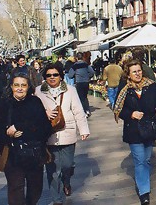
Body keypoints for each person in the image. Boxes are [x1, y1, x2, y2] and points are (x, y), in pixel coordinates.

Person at [113, 59, 156, 205]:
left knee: (146, 159)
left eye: (139, 70)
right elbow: (118, 109)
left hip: (149, 128)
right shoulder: (124, 88)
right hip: (133, 129)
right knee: (140, 161)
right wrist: (131, 114)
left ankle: (143, 183)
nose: (138, 74)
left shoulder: (151, 86)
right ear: (128, 74)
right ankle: (144, 193)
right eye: (134, 71)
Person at [0, 73, 52, 205]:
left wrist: (21, 127)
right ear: (11, 87)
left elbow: (46, 128)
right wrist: (7, 134)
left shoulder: (35, 102)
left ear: (28, 87)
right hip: (12, 155)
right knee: (15, 187)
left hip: (34, 153)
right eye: (16, 85)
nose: (20, 88)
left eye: (23, 85)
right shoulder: (3, 105)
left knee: (35, 187)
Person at [35, 63, 90, 205]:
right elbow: (33, 111)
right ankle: (56, 199)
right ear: (45, 77)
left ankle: (67, 180)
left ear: (60, 76)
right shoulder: (38, 91)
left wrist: (83, 129)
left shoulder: (70, 90)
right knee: (52, 169)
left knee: (67, 165)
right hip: (48, 135)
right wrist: (44, 113)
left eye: (55, 74)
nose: (52, 77)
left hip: (67, 132)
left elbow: (78, 110)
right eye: (49, 75)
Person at [68, 52, 95, 117]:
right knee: (85, 97)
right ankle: (87, 110)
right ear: (82, 57)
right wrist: (88, 77)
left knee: (80, 97)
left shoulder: (75, 66)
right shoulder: (86, 65)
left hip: (79, 82)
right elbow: (92, 72)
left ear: (76, 58)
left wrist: (75, 75)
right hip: (86, 82)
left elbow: (70, 75)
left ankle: (84, 111)